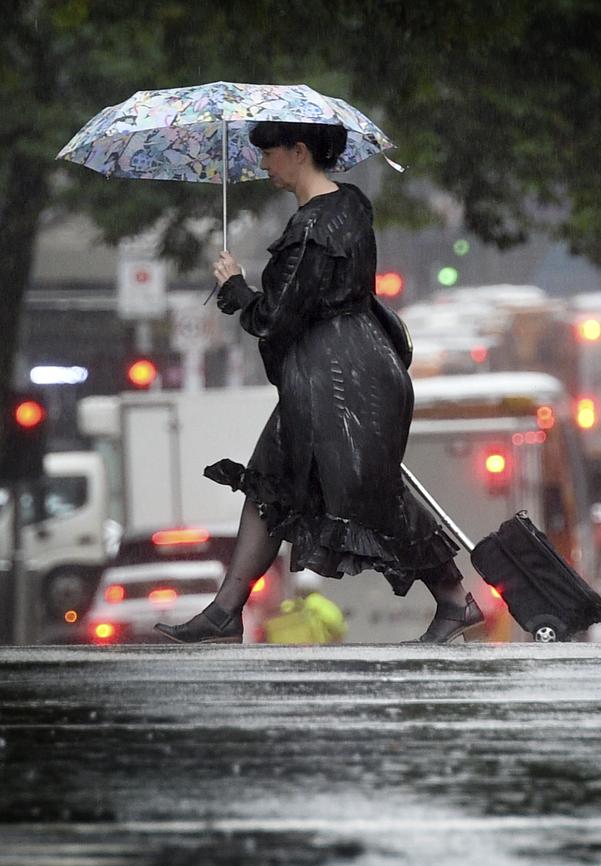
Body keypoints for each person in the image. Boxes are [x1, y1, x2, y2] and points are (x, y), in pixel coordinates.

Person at [154, 120, 484, 645]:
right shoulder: (347, 209)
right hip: (344, 369)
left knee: (368, 491)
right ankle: (226, 608)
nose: (262, 165)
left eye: (269, 153)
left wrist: (236, 286)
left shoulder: (314, 227)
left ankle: (453, 598)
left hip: (341, 377)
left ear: (299, 151)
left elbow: (276, 315)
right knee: (272, 479)